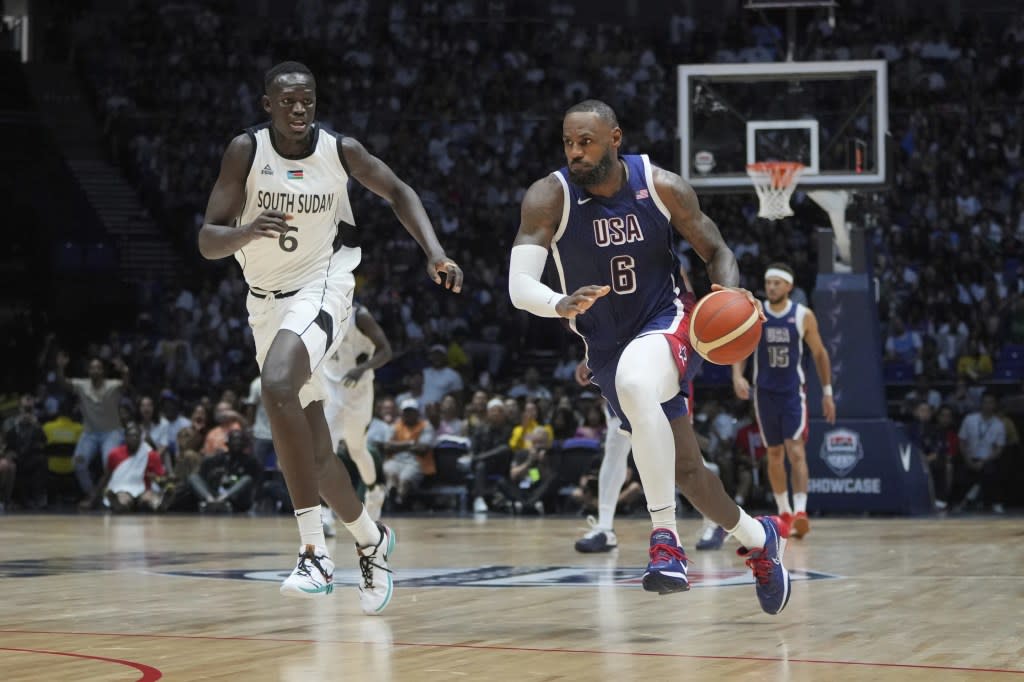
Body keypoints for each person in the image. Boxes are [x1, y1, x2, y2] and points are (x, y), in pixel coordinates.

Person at [198, 60, 463, 611]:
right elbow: (207, 239)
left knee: (275, 385)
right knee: (317, 454)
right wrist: (246, 231)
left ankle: (314, 552)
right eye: (288, 101)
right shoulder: (245, 151)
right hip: (264, 305)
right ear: (267, 104)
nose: (299, 110)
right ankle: (371, 539)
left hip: (324, 288)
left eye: (308, 100)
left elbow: (400, 191)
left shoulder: (340, 151)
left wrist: (434, 252)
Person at [509, 99, 789, 613]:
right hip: (607, 344)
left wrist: (726, 296)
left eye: (586, 141)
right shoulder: (549, 196)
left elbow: (718, 252)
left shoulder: (661, 186)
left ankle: (666, 542)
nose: (575, 152)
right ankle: (761, 537)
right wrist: (557, 303)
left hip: (667, 321)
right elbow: (518, 285)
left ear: (615, 139)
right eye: (569, 142)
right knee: (687, 472)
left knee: (639, 385)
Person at [732, 263, 836, 539]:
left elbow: (820, 354)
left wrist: (827, 392)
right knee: (774, 454)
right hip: (764, 393)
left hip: (792, 393)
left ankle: (801, 511)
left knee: (796, 450)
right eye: (769, 283)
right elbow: (741, 346)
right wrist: (737, 376)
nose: (772, 287)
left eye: (777, 283)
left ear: (789, 286)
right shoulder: (756, 312)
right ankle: (785, 511)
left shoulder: (803, 315)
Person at [321, 303, 393, 532]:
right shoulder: (317, 310)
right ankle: (324, 513)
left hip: (358, 388)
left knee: (356, 449)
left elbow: (386, 351)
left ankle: (374, 490)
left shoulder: (360, 316)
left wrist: (362, 369)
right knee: (324, 450)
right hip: (330, 384)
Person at [54, 352, 129, 501]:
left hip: (112, 433)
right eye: (92, 368)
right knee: (78, 463)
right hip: (90, 434)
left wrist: (125, 372)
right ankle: (92, 494)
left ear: (103, 371)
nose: (95, 370)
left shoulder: (113, 385)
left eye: (98, 368)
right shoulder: (82, 385)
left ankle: (111, 496)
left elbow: (125, 385)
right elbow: (63, 384)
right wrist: (60, 368)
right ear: (88, 371)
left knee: (110, 463)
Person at [189, 430, 263, 513]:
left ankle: (222, 501)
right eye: (234, 440)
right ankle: (210, 501)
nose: (236, 443)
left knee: (247, 478)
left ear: (244, 444)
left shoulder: (251, 461)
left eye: (239, 440)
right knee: (193, 477)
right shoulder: (217, 458)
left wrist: (233, 479)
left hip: (237, 497)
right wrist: (213, 476)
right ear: (227, 443)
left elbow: (255, 484)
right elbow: (205, 476)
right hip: (216, 492)